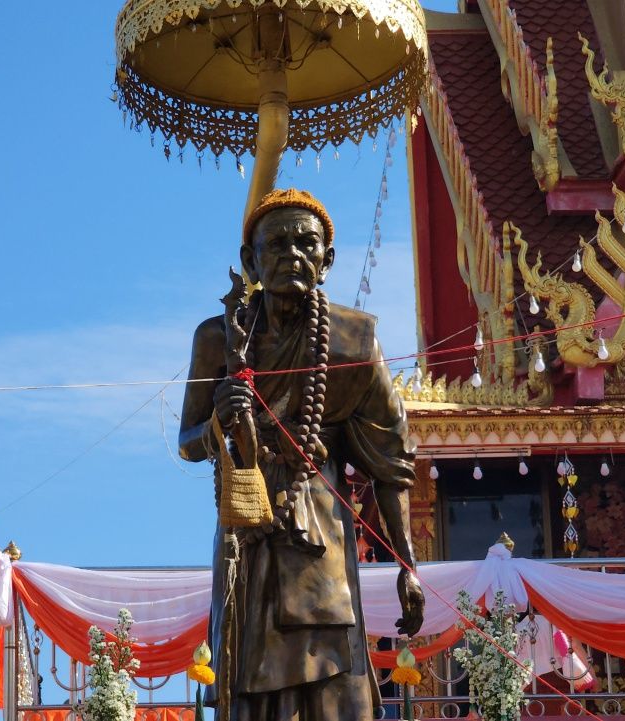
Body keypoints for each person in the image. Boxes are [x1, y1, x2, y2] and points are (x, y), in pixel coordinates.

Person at [179, 188, 425, 721]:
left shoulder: (353, 340)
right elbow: (188, 443)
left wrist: (408, 565)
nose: (292, 255)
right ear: (250, 261)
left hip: (320, 533)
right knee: (247, 677)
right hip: (247, 528)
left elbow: (391, 465)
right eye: (277, 244)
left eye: (305, 244)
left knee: (334, 682)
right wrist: (220, 420)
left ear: (326, 260)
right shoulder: (218, 339)